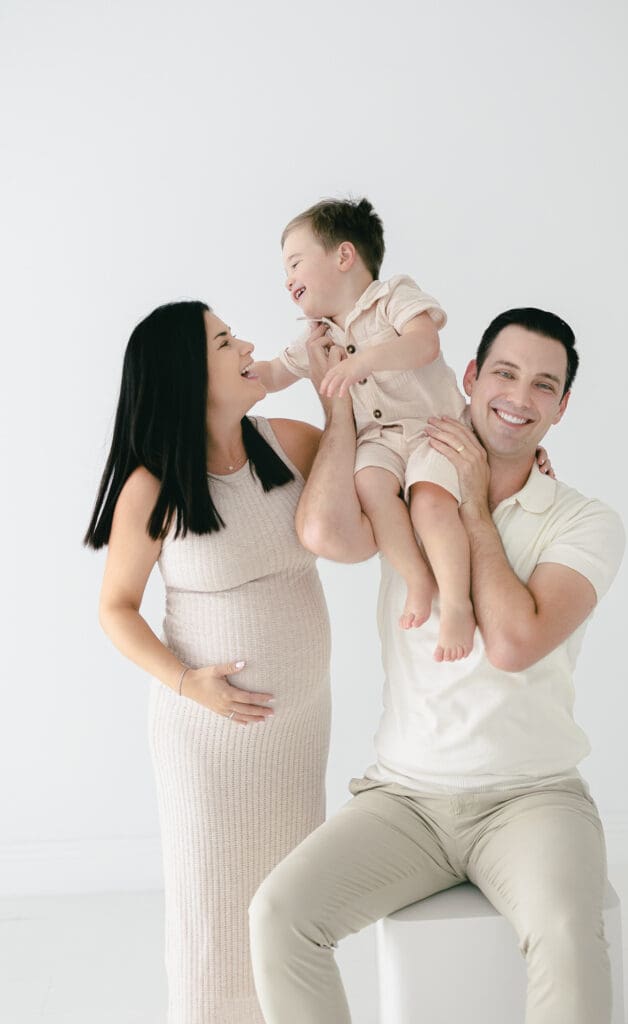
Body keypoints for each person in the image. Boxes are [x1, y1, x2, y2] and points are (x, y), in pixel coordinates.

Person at [249, 307, 626, 1024]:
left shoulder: (583, 521)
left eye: (544, 386)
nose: (519, 397)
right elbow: (326, 530)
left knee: (565, 935)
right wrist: (339, 412)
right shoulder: (404, 488)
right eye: (505, 374)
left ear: (561, 408)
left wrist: (478, 510)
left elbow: (515, 643)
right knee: (279, 913)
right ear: (472, 378)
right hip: (405, 800)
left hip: (531, 796)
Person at [84, 301, 331, 1024]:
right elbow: (116, 608)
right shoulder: (153, 486)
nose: (248, 344)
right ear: (189, 377)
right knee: (213, 922)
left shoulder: (290, 444)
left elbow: (385, 486)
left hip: (296, 732)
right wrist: (187, 682)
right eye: (225, 341)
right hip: (208, 743)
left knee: (290, 912)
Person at [254, 196, 476, 662]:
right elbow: (274, 373)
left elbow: (425, 342)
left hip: (432, 427)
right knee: (371, 486)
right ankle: (417, 578)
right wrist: (231, 373)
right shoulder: (318, 336)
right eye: (285, 272)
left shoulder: (391, 296)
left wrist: (366, 362)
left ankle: (456, 603)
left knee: (432, 504)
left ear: (343, 256)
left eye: (295, 263)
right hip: (379, 441)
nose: (288, 279)